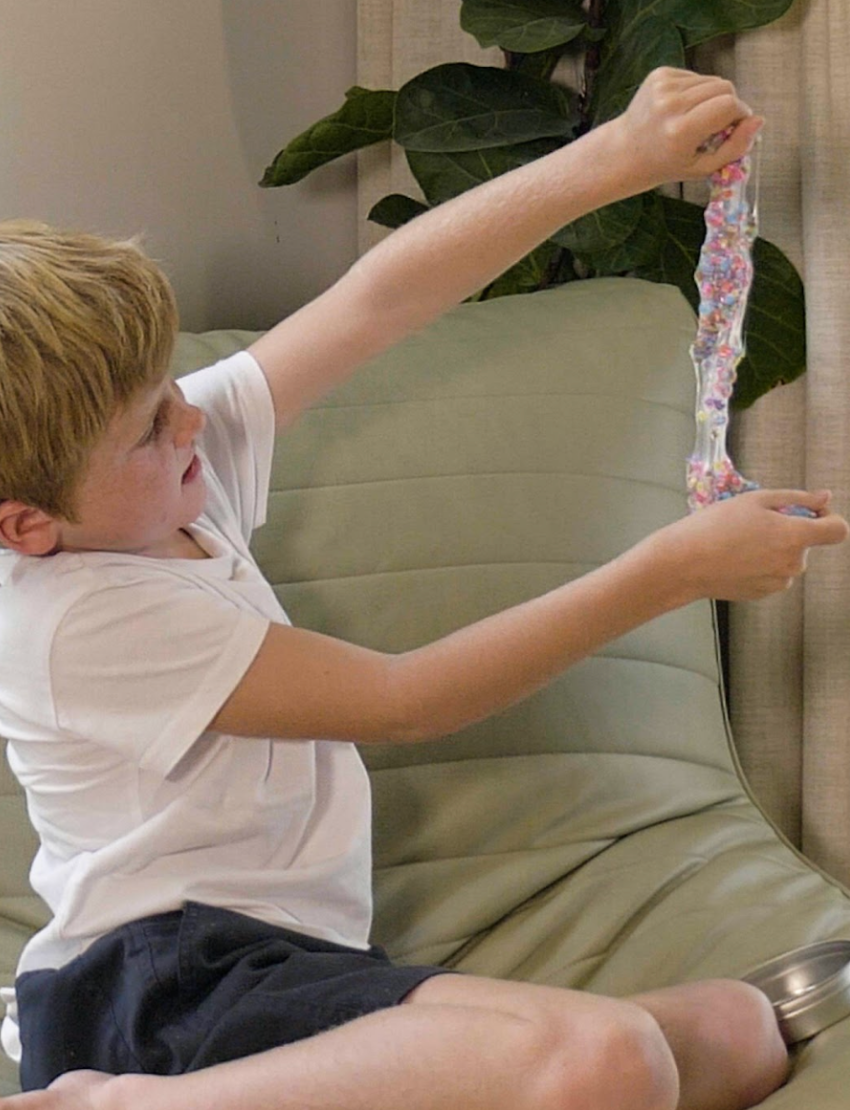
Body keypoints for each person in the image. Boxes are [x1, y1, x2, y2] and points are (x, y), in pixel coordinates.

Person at [0, 67, 845, 1110]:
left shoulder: (171, 479)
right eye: (147, 429)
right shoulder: (75, 617)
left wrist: (612, 158)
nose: (189, 422)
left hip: (287, 970)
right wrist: (667, 571)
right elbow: (408, 698)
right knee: (611, 1063)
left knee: (738, 1033)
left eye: (170, 387)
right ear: (26, 525)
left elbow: (378, 300)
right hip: (153, 996)